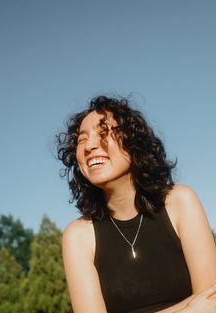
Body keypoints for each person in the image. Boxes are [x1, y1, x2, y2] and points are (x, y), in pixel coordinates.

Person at [56, 95, 216, 313]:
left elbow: (211, 302)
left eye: (103, 133)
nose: (89, 146)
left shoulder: (180, 201)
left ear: (133, 143)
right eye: (81, 140)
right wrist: (188, 309)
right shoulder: (78, 236)